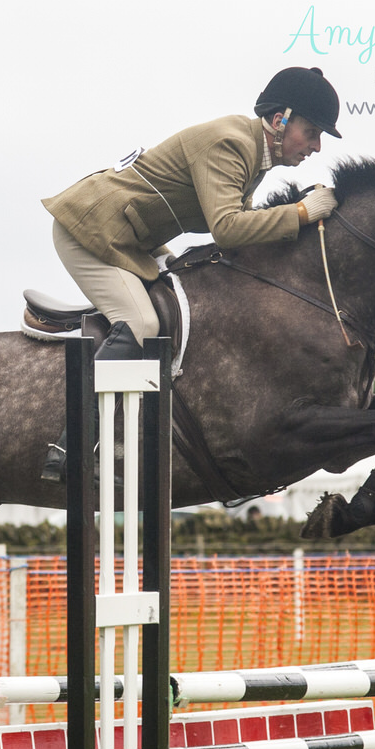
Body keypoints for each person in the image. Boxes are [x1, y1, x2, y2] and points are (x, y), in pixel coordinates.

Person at [40, 66, 343, 482]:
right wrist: (301, 214)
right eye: (311, 133)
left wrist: (298, 213)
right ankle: (71, 444)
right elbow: (228, 228)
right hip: (89, 229)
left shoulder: (256, 154)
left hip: (132, 238)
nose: (317, 146)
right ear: (280, 120)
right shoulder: (231, 142)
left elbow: (239, 230)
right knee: (142, 322)